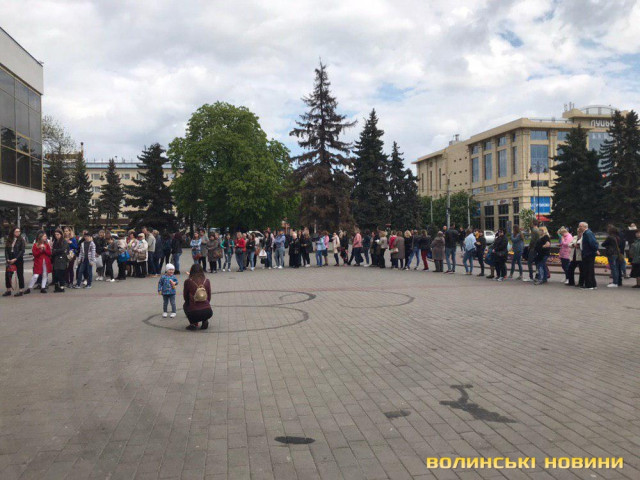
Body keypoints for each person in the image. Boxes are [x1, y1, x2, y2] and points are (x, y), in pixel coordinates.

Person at [183, 263, 212, 330]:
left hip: (194, 312)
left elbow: (185, 297)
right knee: (203, 308)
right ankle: (205, 320)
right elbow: (209, 296)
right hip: (208, 311)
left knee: (185, 305)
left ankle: (193, 323)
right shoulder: (207, 281)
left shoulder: (188, 281)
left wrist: (189, 303)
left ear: (191, 271)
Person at [3, 226, 26, 297]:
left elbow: (22, 251)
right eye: (16, 231)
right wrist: (7, 259)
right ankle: (8, 290)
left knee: (20, 274)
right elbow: (6, 250)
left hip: (18, 259)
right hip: (10, 259)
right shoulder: (9, 240)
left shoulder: (21, 240)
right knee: (8, 275)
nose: (18, 233)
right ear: (13, 232)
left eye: (19, 231)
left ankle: (21, 290)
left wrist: (16, 258)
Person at [579, 222, 599, 290]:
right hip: (588, 253)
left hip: (588, 254)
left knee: (588, 270)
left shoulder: (587, 233)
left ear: (584, 227)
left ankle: (589, 285)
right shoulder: (587, 233)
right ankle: (593, 284)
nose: (579, 228)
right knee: (590, 270)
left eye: (580, 226)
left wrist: (595, 249)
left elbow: (593, 243)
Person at [51, 229, 69, 293]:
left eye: (58, 234)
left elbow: (63, 250)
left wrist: (55, 250)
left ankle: (62, 287)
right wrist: (54, 251)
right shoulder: (55, 241)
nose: (56, 236)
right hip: (56, 259)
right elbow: (53, 250)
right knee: (56, 273)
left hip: (62, 259)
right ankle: (56, 287)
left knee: (61, 273)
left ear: (61, 234)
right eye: (55, 234)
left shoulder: (64, 241)